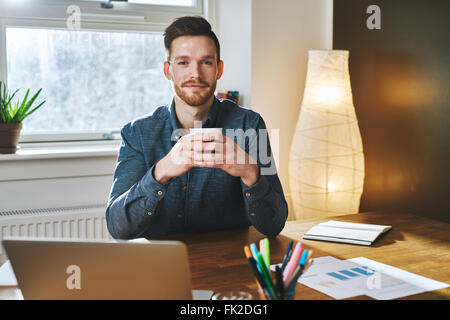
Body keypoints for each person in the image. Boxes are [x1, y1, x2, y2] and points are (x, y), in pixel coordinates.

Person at [106, 16, 288, 239]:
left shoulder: (250, 126)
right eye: (183, 62)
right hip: (161, 265)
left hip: (230, 264)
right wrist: (161, 171)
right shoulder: (136, 133)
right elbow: (118, 228)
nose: (196, 74)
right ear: (168, 70)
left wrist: (251, 172)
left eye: (206, 62)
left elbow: (274, 225)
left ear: (219, 69)